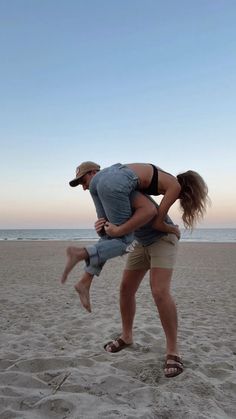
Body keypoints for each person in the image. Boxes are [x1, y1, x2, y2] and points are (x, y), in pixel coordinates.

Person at [61, 161, 209, 283]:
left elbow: (111, 226)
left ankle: (85, 282)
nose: (83, 187)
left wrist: (106, 229)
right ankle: (81, 253)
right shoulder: (174, 187)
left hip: (109, 178)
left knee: (108, 235)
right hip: (116, 179)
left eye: (83, 182)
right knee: (126, 240)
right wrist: (174, 230)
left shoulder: (163, 179)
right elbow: (156, 222)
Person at [97, 198, 184, 379]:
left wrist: (171, 229)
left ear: (93, 174)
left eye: (83, 181)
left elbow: (150, 211)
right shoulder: (105, 201)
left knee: (159, 291)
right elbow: (117, 233)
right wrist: (103, 229)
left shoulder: (123, 188)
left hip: (162, 239)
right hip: (140, 243)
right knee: (126, 289)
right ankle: (127, 337)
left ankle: (173, 351)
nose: (84, 187)